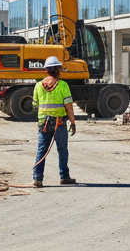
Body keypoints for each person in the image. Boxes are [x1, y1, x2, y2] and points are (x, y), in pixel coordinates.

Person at [32, 55, 77, 187]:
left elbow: (35, 105)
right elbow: (69, 106)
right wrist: (73, 122)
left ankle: (37, 179)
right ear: (58, 70)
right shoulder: (63, 85)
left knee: (42, 149)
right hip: (59, 123)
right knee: (62, 149)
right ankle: (64, 176)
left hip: (43, 123)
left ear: (47, 70)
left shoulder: (38, 86)